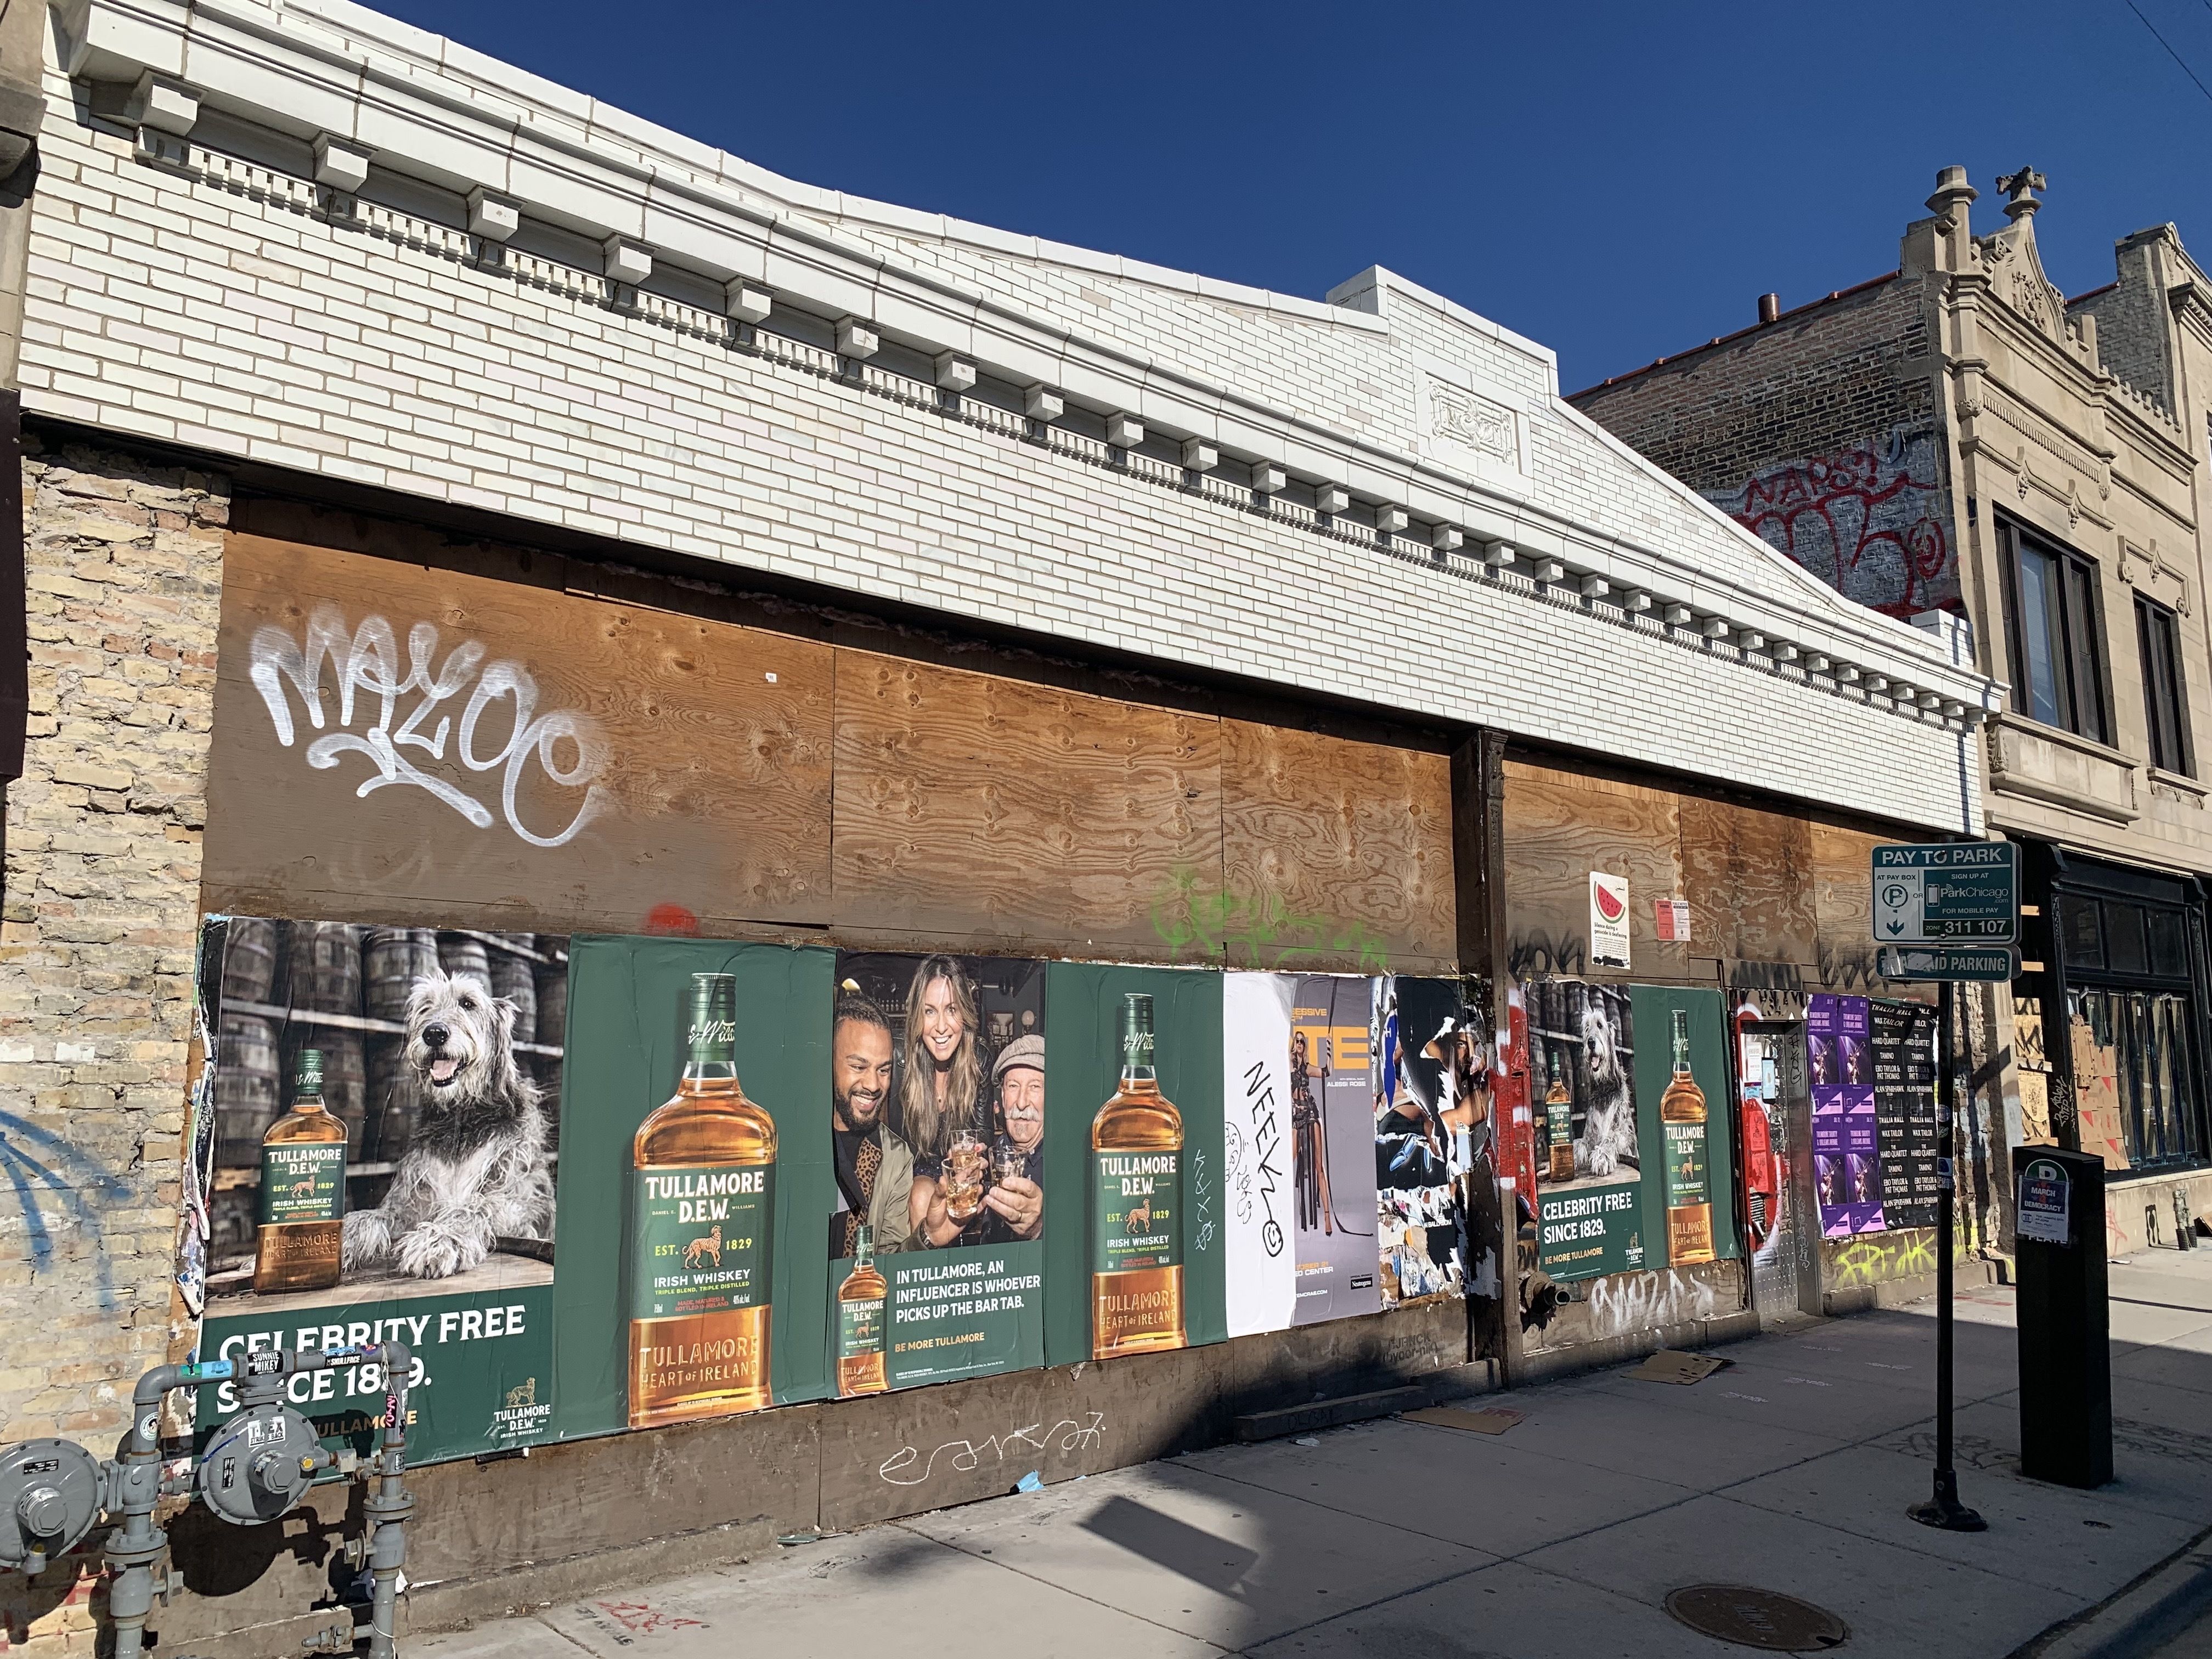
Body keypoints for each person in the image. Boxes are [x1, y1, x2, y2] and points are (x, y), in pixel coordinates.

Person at [902, 956, 990, 1249]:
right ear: (917, 1017)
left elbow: (984, 1131)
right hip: (918, 1173)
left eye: (951, 1010)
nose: (940, 1026)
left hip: (963, 1173)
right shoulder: (902, 1064)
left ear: (964, 1014)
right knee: (921, 1195)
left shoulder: (979, 1060)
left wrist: (974, 1153)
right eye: (930, 1011)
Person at [828, 992, 914, 1260]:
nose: (874, 1085)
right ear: (828, 1062)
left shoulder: (896, 1157)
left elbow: (891, 1260)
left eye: (883, 1070)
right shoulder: (793, 1140)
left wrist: (928, 1238)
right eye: (858, 1066)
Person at [977, 1034, 1043, 1243]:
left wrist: (1039, 1228)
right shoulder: (993, 1154)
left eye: (1035, 1087)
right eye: (1013, 1086)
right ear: (1003, 1097)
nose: (1022, 1103)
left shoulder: (1071, 1166)